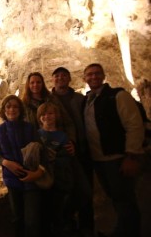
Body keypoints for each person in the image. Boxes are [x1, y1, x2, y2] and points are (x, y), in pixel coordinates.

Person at [83, 63, 145, 237]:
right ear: (84, 79)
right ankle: (122, 230)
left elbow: (134, 125)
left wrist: (131, 156)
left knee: (125, 199)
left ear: (103, 76)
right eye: (89, 75)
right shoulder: (87, 100)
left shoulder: (118, 95)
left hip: (118, 158)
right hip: (99, 159)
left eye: (97, 74)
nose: (93, 77)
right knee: (116, 198)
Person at [0, 95, 45, 237]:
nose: (12, 109)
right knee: (17, 218)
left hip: (31, 179)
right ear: (4, 110)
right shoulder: (0, 130)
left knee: (32, 220)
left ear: (21, 110)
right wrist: (6, 163)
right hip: (12, 179)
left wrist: (37, 173)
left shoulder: (29, 128)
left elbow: (41, 151)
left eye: (15, 106)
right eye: (8, 106)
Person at [51, 67, 94, 236]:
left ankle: (86, 226)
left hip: (82, 149)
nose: (60, 78)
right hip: (59, 152)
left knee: (85, 189)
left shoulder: (80, 99)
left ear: (69, 78)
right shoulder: (48, 99)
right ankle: (66, 224)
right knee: (63, 189)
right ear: (52, 80)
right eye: (57, 76)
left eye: (64, 76)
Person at [37, 102, 76, 237]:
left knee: (58, 212)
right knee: (44, 212)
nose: (47, 117)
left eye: (50, 114)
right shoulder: (37, 135)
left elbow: (67, 158)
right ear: (39, 117)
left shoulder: (62, 136)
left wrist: (54, 159)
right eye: (43, 114)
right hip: (42, 179)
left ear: (56, 116)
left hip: (59, 180)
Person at [21, 72, 76, 154]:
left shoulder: (52, 100)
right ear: (28, 85)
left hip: (56, 143)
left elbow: (67, 121)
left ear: (42, 83)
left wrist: (71, 140)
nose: (35, 85)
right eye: (32, 82)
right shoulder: (24, 105)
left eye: (38, 82)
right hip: (35, 146)